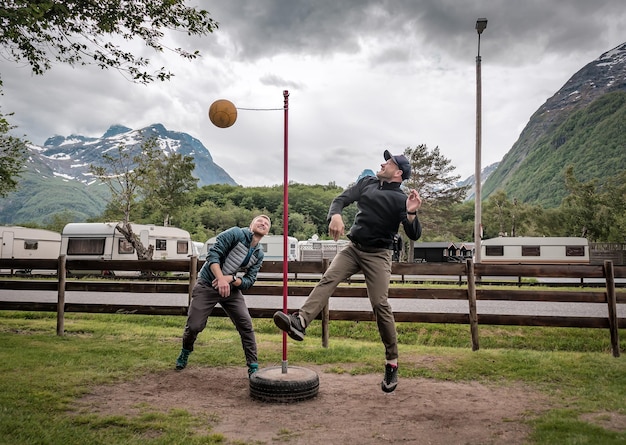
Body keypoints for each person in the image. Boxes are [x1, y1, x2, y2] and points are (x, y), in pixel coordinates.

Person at [273, 150, 422, 393]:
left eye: (389, 162)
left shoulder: (401, 200)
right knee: (328, 279)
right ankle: (299, 321)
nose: (382, 163)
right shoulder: (366, 183)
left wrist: (412, 212)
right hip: (353, 248)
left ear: (398, 173)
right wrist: (336, 215)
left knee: (380, 303)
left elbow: (414, 233)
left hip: (378, 255)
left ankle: (391, 362)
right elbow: (340, 199)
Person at [175, 214, 271, 378]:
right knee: (194, 326)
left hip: (230, 289)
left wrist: (231, 279)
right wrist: (220, 279)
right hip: (207, 284)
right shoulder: (235, 233)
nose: (263, 223)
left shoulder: (258, 254)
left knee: (246, 325)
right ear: (251, 225)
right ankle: (186, 350)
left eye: (267, 223)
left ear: (268, 231)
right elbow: (213, 255)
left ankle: (253, 367)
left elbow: (249, 281)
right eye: (259, 220)